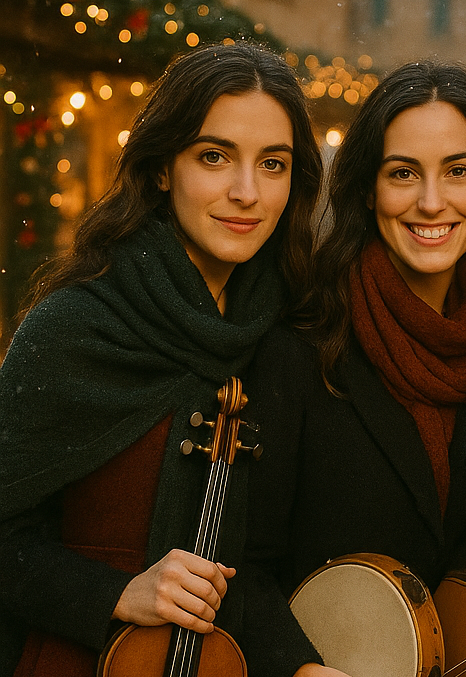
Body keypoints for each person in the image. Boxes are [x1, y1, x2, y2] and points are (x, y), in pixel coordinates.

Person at [0, 43, 342, 677]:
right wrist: (115, 593)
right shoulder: (73, 327)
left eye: (273, 163)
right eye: (214, 157)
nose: (246, 192)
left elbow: (254, 569)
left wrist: (301, 667)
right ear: (162, 169)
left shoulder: (285, 338)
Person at [244, 59, 466, 608]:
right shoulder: (300, 347)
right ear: (368, 191)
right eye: (403, 173)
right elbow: (244, 567)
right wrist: (298, 669)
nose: (432, 202)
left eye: (459, 172)